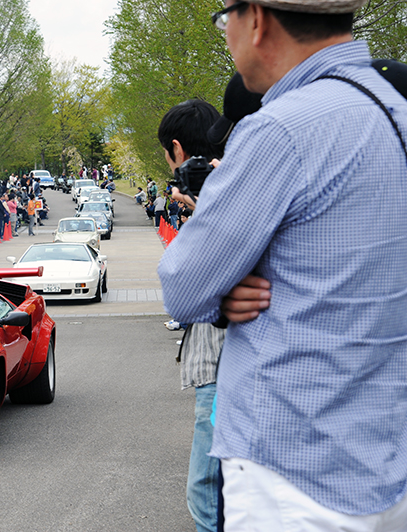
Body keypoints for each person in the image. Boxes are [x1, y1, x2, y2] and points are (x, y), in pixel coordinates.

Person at [158, 0, 407, 528]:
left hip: (294, 464)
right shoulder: (396, 109)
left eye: (226, 20)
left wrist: (220, 288)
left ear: (257, 20)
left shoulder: (279, 132)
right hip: (388, 453)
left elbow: (183, 286)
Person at [157, 99, 227, 532]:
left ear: (177, 151)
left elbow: (181, 295)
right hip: (227, 367)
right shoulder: (248, 184)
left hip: (220, 371)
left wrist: (202, 212)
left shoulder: (225, 202)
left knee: (205, 487)